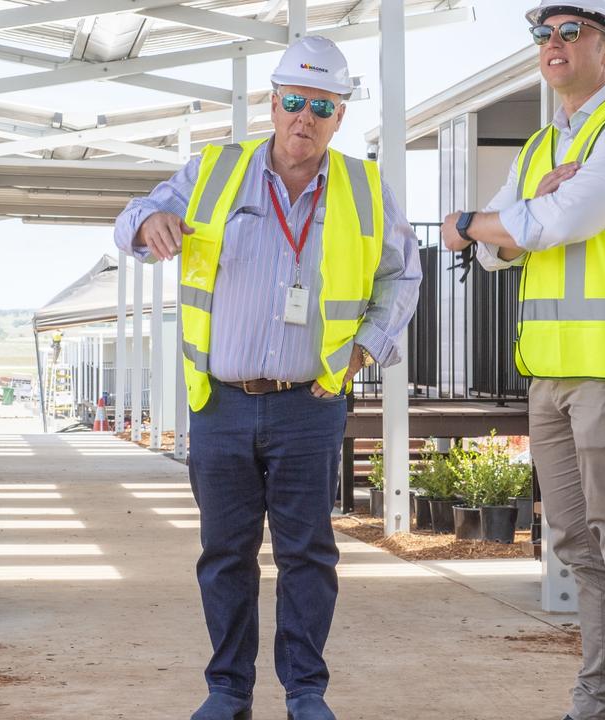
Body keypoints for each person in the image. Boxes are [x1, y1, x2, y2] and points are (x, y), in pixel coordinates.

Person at [113, 35, 421, 720]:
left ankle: (306, 691)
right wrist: (151, 221)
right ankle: (228, 691)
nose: (303, 119)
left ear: (340, 116)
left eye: (321, 106)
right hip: (219, 403)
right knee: (224, 553)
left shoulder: (366, 189)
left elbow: (402, 275)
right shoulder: (215, 172)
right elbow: (130, 219)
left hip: (309, 405)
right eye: (292, 102)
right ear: (271, 104)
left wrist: (366, 348)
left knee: (307, 552)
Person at [441, 2, 605, 719]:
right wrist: (507, 224)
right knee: (577, 545)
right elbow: (493, 250)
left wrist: (488, 221)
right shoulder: (541, 146)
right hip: (550, 376)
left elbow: (550, 223)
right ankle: (595, 701)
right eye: (543, 34)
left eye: (570, 31)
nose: (552, 44)